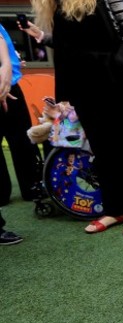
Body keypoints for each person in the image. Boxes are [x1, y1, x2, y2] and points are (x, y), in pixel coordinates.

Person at [26, 0, 123, 235]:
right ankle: (115, 210)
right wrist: (43, 36)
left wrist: (116, 64)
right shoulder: (56, 3)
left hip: (115, 83)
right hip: (81, 85)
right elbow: (70, 45)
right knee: (101, 150)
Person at [0, 23, 41, 206]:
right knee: (19, 138)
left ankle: (30, 186)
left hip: (11, 85)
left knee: (22, 139)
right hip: (5, 88)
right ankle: (28, 187)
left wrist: (14, 63)